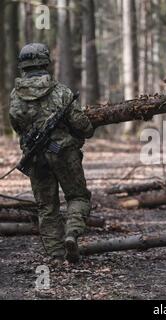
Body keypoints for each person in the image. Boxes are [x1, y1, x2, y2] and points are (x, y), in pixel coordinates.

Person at [9, 43, 94, 264]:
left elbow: (16, 125)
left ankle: (56, 256)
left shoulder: (15, 96)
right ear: (45, 62)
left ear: (23, 66)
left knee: (46, 206)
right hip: (64, 153)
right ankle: (72, 233)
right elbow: (81, 124)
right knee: (78, 197)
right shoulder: (61, 91)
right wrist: (85, 130)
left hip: (36, 158)